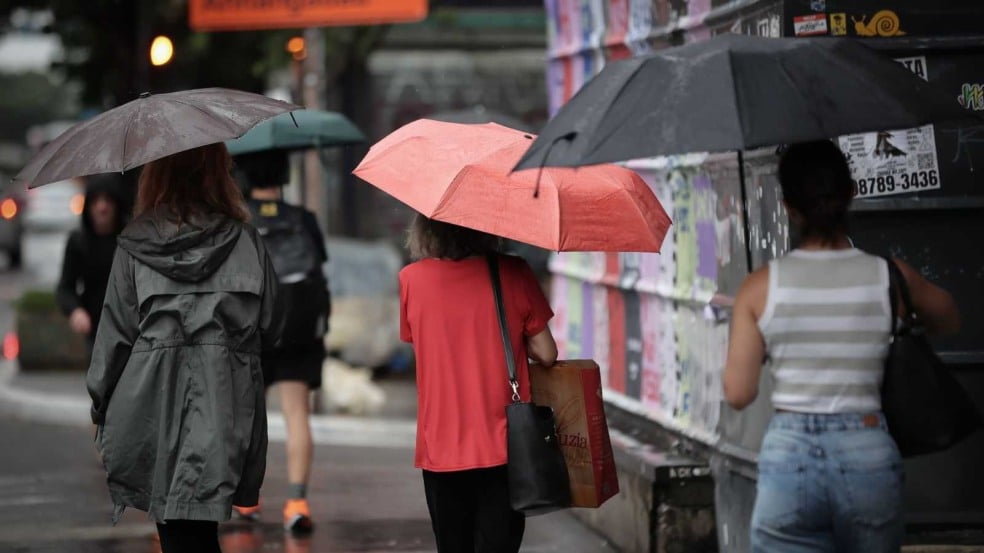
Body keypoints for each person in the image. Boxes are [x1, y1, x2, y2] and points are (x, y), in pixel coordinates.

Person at [722, 140, 960, 553]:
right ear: (851, 193)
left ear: (788, 207)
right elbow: (950, 319)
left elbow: (739, 393)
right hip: (866, 451)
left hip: (790, 455)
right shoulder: (888, 276)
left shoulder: (760, 287)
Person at [86, 143, 283, 553]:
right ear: (219, 173)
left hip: (151, 406)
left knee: (176, 530)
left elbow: (114, 340)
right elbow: (273, 325)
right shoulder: (246, 241)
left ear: (156, 175)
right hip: (226, 403)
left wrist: (100, 406)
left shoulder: (134, 246)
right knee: (199, 530)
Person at [398, 214, 558, 553]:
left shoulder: (411, 280)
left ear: (427, 229)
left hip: (440, 446)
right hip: (504, 446)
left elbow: (421, 342)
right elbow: (547, 353)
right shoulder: (513, 273)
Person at [231, 150, 330, 533]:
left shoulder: (239, 221)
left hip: (252, 329)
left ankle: (247, 499)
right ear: (284, 174)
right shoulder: (303, 219)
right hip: (298, 330)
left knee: (246, 416)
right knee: (296, 414)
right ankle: (297, 501)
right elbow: (318, 268)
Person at [56, 174, 127, 350]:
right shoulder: (78, 242)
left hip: (128, 326)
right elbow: (65, 288)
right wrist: (76, 311)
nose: (102, 207)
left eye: (108, 200)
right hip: (95, 329)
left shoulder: (130, 241)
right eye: (96, 201)